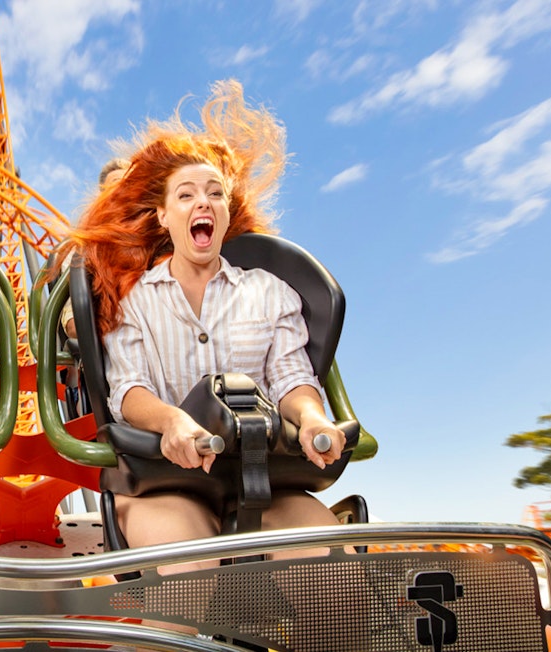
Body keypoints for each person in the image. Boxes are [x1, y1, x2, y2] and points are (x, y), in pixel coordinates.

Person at [55, 80, 346, 575]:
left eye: (214, 193)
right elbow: (128, 386)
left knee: (335, 583)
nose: (202, 203)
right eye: (185, 195)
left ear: (228, 212)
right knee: (187, 581)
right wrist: (170, 422)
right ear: (163, 216)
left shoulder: (271, 290)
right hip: (165, 480)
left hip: (265, 477)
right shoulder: (130, 297)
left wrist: (313, 419)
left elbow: (294, 379)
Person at [60, 157, 130, 340]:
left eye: (131, 184)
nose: (124, 191)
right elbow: (74, 325)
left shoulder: (162, 238)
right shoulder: (82, 249)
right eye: (116, 185)